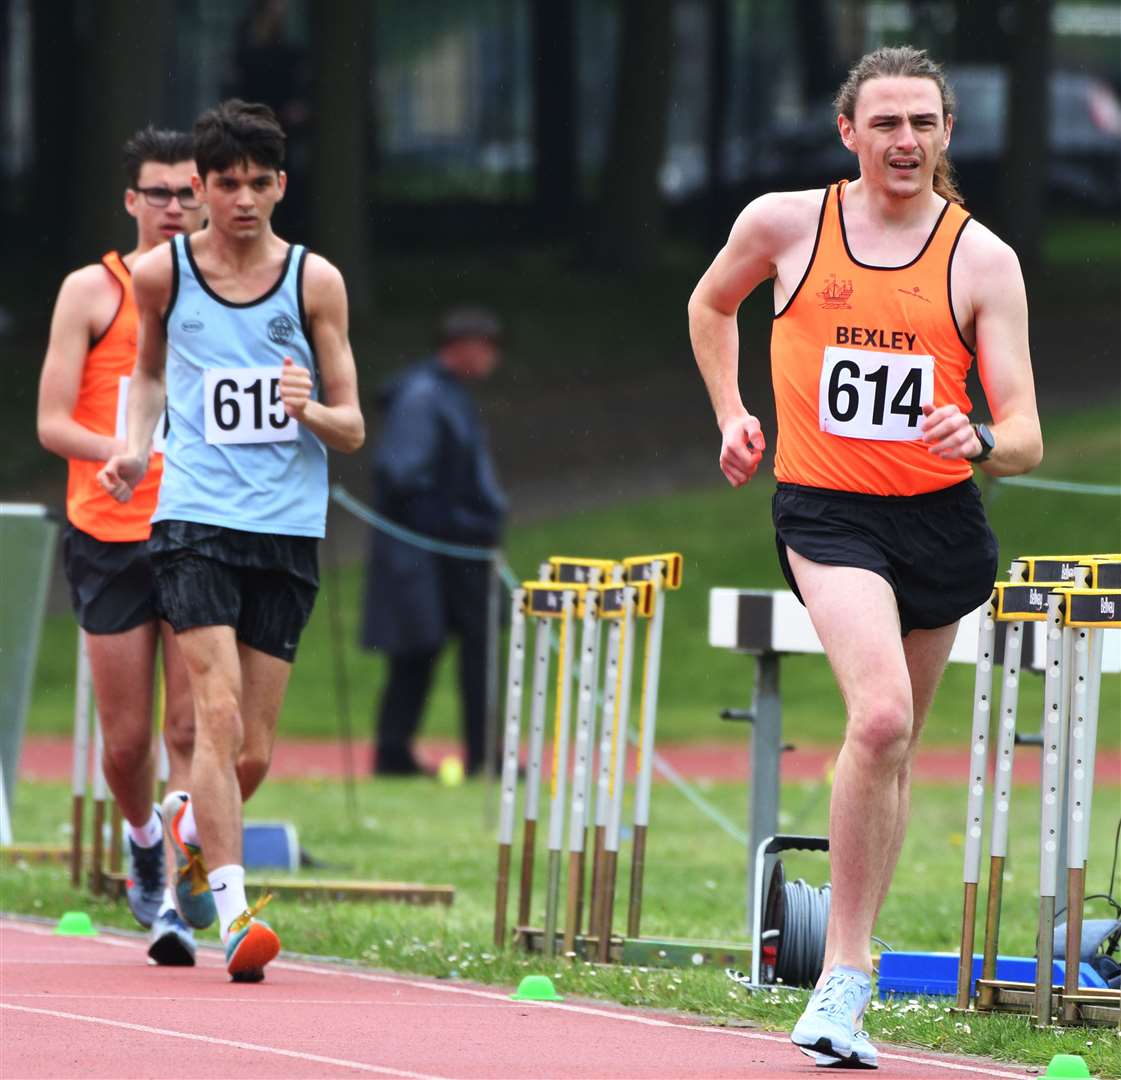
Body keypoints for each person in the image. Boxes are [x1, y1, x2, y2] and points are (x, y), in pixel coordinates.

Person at [687, 46, 1042, 1068]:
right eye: (883, 123)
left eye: (921, 123)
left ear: (944, 134)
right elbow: (711, 305)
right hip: (824, 514)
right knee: (877, 714)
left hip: (936, 525)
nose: (903, 141)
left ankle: (856, 969)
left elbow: (1020, 432)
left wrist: (975, 437)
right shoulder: (784, 225)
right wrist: (731, 412)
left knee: (889, 749)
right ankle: (840, 980)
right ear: (847, 133)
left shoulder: (980, 260)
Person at [98, 99, 365, 982]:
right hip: (195, 520)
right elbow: (144, 375)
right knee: (209, 719)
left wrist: (310, 408)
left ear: (281, 186)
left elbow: (353, 426)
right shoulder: (162, 275)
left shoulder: (314, 282)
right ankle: (235, 913)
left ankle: (188, 823)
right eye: (225, 184)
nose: (242, 199)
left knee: (248, 752)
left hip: (286, 529)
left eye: (259, 183)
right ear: (201, 189)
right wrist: (136, 450)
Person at [37, 126, 205, 966]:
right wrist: (125, 454)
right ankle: (141, 835)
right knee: (129, 739)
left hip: (194, 529)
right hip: (107, 532)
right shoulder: (90, 293)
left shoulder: (223, 289)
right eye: (160, 193)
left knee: (188, 724)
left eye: (188, 191)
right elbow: (51, 420)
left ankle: (176, 894)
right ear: (132, 201)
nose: (175, 206)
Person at [360, 308, 508, 778]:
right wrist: (462, 530)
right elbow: (404, 476)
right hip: (437, 550)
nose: (492, 358)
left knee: (430, 648)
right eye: (487, 347)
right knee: (424, 648)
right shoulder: (424, 396)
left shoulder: (441, 392)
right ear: (461, 346)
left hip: (444, 547)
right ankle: (402, 754)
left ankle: (436, 753)